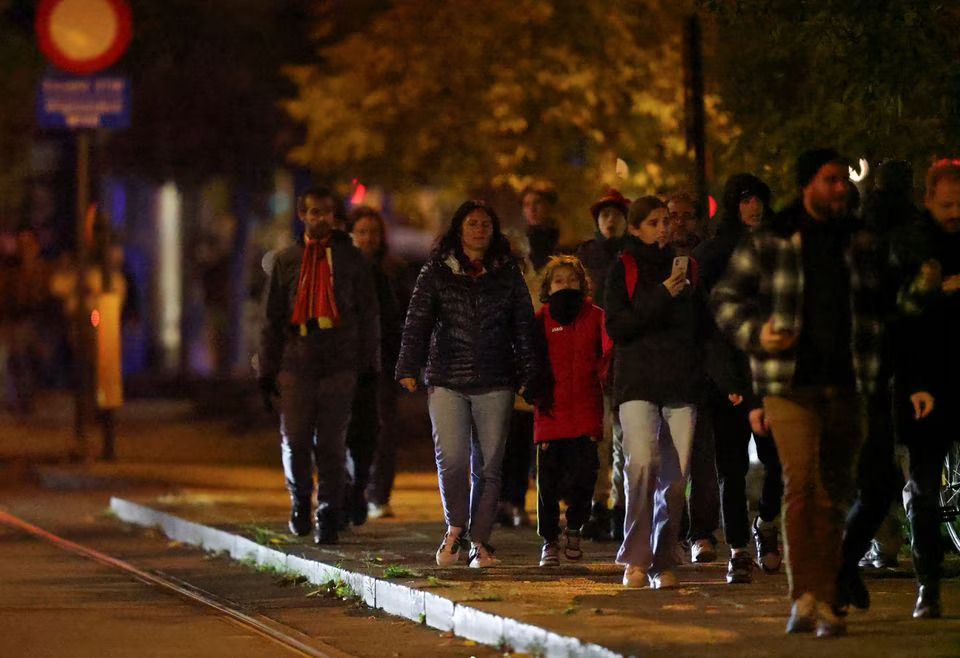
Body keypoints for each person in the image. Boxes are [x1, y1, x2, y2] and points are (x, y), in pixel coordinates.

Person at [711, 149, 887, 637]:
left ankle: (827, 595)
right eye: (830, 180)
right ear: (808, 183)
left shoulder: (859, 239)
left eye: (841, 182)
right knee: (800, 485)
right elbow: (724, 300)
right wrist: (756, 333)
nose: (839, 188)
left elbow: (882, 305)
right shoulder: (773, 238)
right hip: (788, 383)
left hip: (849, 382)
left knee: (835, 491)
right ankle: (804, 595)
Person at [396, 200, 540, 568]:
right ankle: (454, 529)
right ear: (459, 229)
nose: (479, 230)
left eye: (485, 224)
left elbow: (524, 327)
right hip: (447, 378)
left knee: (490, 466)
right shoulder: (436, 272)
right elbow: (417, 322)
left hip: (496, 378)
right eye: (472, 223)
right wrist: (408, 366)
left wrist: (530, 374)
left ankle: (481, 541)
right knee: (453, 460)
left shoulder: (508, 274)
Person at [258, 185, 380, 545]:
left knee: (330, 441)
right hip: (297, 360)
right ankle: (299, 500)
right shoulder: (286, 261)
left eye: (325, 213)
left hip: (340, 361)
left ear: (334, 217)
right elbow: (271, 318)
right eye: (313, 212)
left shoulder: (351, 260)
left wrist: (369, 367)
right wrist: (266, 369)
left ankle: (328, 509)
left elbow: (367, 315)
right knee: (295, 438)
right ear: (302, 216)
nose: (319, 219)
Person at [606, 196, 705, 590]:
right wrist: (663, 293)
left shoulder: (689, 269)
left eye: (666, 221)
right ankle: (635, 557)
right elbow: (619, 326)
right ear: (635, 228)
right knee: (642, 465)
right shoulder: (623, 269)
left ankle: (664, 560)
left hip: (679, 383)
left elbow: (698, 328)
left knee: (676, 479)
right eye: (653, 222)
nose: (663, 228)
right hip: (637, 382)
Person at [694, 174, 783, 585]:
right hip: (727, 372)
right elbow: (709, 324)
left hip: (771, 371)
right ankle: (738, 550)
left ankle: (765, 523)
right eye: (746, 199)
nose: (755, 207)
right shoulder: (713, 254)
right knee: (730, 466)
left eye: (759, 199)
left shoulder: (778, 247)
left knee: (777, 459)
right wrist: (726, 380)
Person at [880, 158, 960, 619]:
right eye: (946, 204)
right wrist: (931, 291)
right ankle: (928, 583)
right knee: (924, 487)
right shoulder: (909, 245)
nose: (953, 212)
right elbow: (898, 318)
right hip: (923, 381)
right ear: (929, 200)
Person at [533, 255, 611, 567]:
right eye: (559, 280)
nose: (566, 286)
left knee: (584, 478)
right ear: (548, 287)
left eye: (571, 280)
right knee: (548, 483)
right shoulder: (541, 320)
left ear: (582, 283)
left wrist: (600, 377)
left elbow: (608, 353)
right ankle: (550, 539)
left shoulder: (595, 316)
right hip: (551, 413)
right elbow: (530, 359)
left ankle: (575, 527)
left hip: (586, 411)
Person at [498, 181, 561, 528]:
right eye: (528, 203)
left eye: (540, 202)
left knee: (546, 432)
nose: (534, 209)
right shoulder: (516, 254)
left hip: (550, 346)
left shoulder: (558, 250)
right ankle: (512, 497)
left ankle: (544, 497)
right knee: (517, 431)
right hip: (519, 350)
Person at [342, 206, 407, 525]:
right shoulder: (340, 272)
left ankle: (378, 495)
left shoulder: (393, 272)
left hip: (383, 363)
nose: (368, 239)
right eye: (362, 232)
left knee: (382, 429)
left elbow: (402, 320)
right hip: (346, 362)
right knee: (345, 429)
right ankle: (350, 489)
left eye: (374, 232)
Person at [575, 189, 630, 542]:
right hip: (595, 358)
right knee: (597, 439)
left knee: (623, 440)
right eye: (604, 214)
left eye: (616, 214)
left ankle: (620, 506)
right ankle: (596, 504)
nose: (610, 220)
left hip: (624, 356)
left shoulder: (632, 257)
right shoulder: (585, 255)